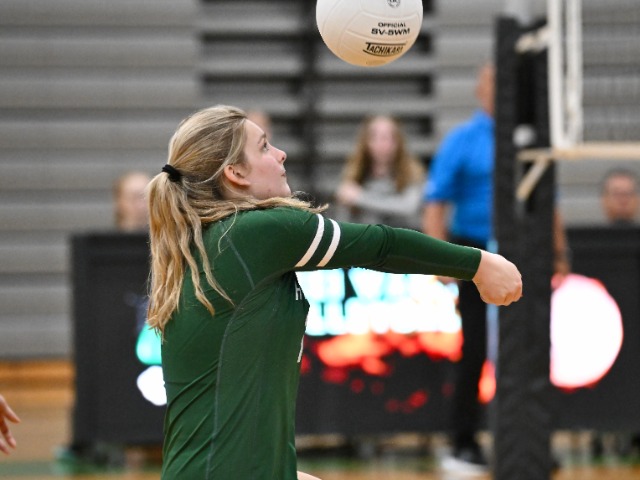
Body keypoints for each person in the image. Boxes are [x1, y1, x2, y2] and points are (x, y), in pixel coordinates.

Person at [146, 104, 522, 480]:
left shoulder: (216, 243)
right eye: (264, 147)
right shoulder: (255, 233)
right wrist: (479, 265)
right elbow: (381, 245)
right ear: (235, 173)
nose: (281, 154)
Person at [423, 63, 569, 473]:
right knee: (475, 350)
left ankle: (529, 441)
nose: (500, 89)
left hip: (523, 251)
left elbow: (550, 200)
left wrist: (559, 254)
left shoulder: (529, 141)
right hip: (474, 254)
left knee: (528, 349)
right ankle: (464, 442)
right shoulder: (463, 140)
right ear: (480, 90)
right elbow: (436, 200)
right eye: (492, 82)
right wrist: (439, 259)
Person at [334, 114, 425, 230]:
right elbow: (343, 222)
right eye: (375, 137)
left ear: (398, 142)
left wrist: (361, 197)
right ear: (365, 141)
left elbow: (408, 207)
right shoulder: (354, 173)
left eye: (388, 137)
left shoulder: (412, 172)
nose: (382, 144)